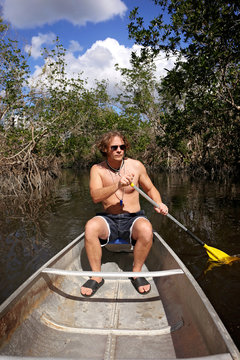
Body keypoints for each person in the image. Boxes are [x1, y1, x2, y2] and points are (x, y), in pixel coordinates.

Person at [81, 131, 168, 297]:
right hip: (109, 219)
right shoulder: (97, 169)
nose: (119, 150)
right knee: (91, 227)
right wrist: (117, 185)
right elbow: (95, 196)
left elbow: (150, 189)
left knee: (146, 229)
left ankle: (136, 273)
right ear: (105, 149)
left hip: (133, 218)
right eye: (114, 147)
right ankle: (96, 276)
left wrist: (159, 203)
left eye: (122, 146)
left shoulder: (136, 166)